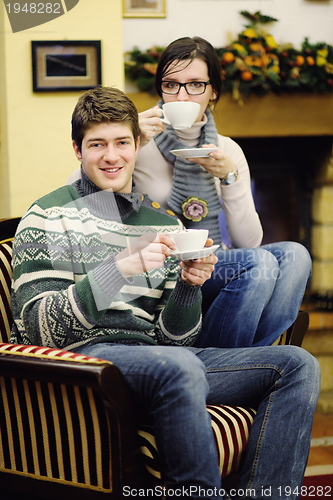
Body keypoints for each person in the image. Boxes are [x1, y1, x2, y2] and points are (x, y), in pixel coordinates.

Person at [11, 86, 320, 500]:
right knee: (179, 365)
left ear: (137, 145)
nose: (111, 156)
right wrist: (120, 268)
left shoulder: (163, 223)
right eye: (97, 144)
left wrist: (189, 287)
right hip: (90, 360)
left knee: (297, 365)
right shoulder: (48, 215)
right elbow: (37, 327)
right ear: (77, 150)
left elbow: (176, 339)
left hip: (162, 361)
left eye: (122, 142)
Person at [133, 36, 312, 347]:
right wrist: (128, 141)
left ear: (213, 91)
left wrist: (229, 178)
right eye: (171, 84)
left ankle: (240, 357)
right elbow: (81, 187)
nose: (182, 96)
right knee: (261, 265)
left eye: (195, 85)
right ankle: (233, 364)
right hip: (164, 270)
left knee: (296, 255)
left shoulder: (227, 149)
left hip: (215, 267)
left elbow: (250, 242)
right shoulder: (138, 141)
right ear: (160, 88)